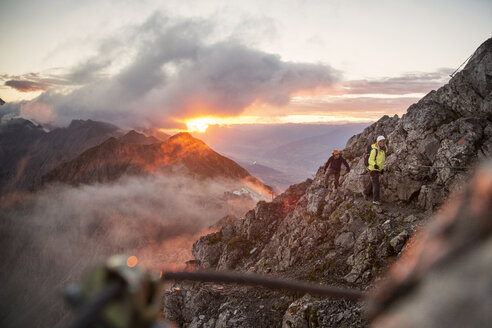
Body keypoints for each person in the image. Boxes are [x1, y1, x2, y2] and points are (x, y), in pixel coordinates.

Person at [364, 135, 387, 205]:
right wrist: (374, 165)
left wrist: (382, 169)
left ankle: (365, 192)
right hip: (372, 169)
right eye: (380, 141)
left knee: (372, 182)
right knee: (376, 184)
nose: (382, 142)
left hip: (377, 169)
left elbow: (382, 161)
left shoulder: (383, 150)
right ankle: (375, 200)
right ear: (377, 142)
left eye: (383, 141)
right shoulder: (375, 150)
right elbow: (370, 160)